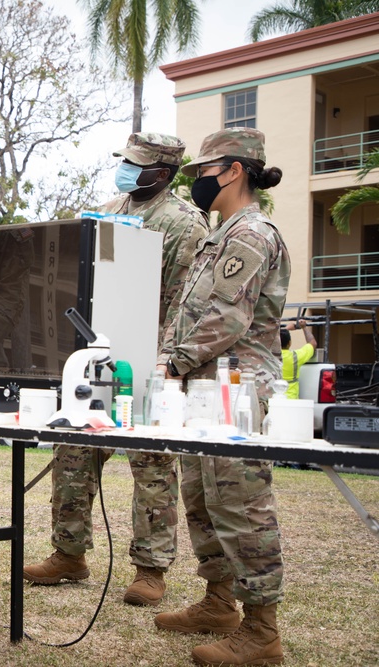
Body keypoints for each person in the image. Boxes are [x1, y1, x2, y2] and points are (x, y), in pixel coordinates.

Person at [23, 133, 209, 607]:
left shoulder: (186, 223)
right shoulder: (105, 209)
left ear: (163, 173)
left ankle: (150, 570)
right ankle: (68, 553)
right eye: (125, 160)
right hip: (93, 355)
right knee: (73, 453)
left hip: (149, 361)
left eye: (137, 163)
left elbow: (184, 302)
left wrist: (169, 362)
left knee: (151, 466)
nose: (127, 169)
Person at [154, 128, 288, 666]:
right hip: (201, 386)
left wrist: (172, 362)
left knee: (241, 503)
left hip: (234, 385)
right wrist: (172, 363)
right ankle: (219, 602)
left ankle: (262, 631)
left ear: (233, 171)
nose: (197, 185)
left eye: (203, 175)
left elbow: (227, 317)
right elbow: (187, 311)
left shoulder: (252, 234)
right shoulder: (218, 234)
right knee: (202, 497)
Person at [281, 319, 317, 398]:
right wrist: (304, 327)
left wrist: (285, 329)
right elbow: (312, 343)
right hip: (291, 399)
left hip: (273, 399)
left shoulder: (270, 355)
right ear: (289, 343)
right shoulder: (295, 356)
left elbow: (275, 340)